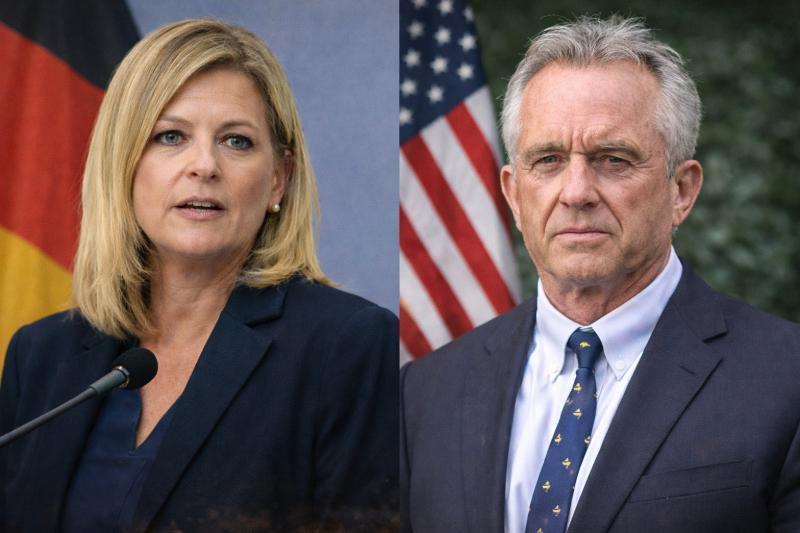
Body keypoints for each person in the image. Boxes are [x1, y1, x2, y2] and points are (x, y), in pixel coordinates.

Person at [400, 16, 800, 533]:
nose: (576, 192)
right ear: (512, 196)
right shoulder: (422, 395)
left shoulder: (786, 381)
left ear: (681, 190)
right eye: (547, 160)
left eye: (613, 159)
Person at [0, 19, 398, 532]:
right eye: (171, 136)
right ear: (123, 165)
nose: (204, 165)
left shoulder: (349, 349)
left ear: (278, 179)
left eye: (236, 141)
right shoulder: (41, 357)